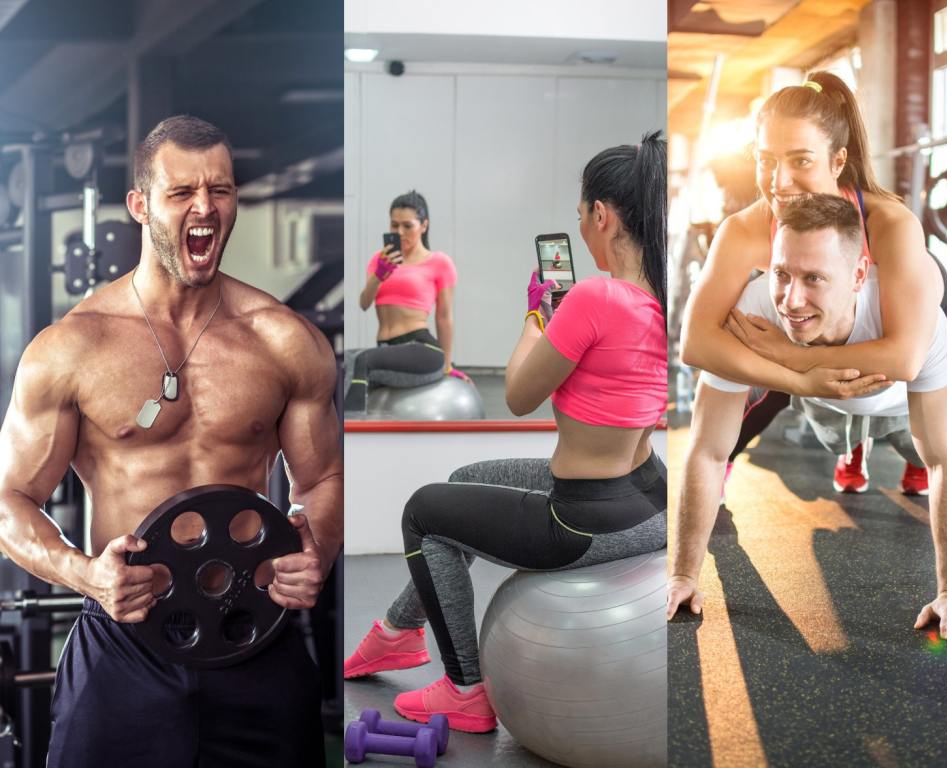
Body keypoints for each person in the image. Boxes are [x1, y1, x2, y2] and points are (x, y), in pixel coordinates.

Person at [0, 116, 342, 767]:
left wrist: (316, 549)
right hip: (127, 646)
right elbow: (10, 499)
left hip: (257, 636)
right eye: (182, 192)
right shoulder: (73, 347)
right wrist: (85, 575)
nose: (206, 207)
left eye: (221, 189)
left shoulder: (282, 339)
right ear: (140, 205)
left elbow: (323, 480)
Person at [343, 131, 669, 732]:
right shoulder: (664, 298)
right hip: (649, 502)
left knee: (424, 513)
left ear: (601, 215)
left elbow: (518, 395)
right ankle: (396, 631)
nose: (582, 226)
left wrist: (535, 316)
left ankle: (463, 689)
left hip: (583, 524)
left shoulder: (595, 297)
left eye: (581, 216)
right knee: (465, 482)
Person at [667, 194, 947, 644]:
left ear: (859, 274)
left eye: (814, 278)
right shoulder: (752, 311)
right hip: (827, 407)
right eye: (782, 273)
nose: (791, 299)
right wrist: (682, 574)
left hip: (899, 408)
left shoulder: (914, 321)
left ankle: (895, 452)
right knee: (833, 438)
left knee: (924, 451)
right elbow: (707, 450)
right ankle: (853, 447)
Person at [680, 71, 947, 499]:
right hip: (822, 315)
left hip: (920, 302)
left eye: (801, 161)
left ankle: (916, 456)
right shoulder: (743, 230)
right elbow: (696, 342)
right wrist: (799, 379)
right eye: (766, 160)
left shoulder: (889, 223)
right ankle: (723, 462)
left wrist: (787, 354)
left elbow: (904, 356)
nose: (779, 183)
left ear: (837, 162)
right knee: (772, 386)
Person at [346, 191, 458, 411]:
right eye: (394, 225)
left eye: (408, 226)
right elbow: (364, 302)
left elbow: (444, 317)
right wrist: (379, 275)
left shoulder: (439, 263)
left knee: (362, 361)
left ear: (424, 225)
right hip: (388, 348)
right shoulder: (380, 260)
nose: (400, 232)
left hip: (421, 348)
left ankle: (351, 430)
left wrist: (448, 365)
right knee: (344, 359)